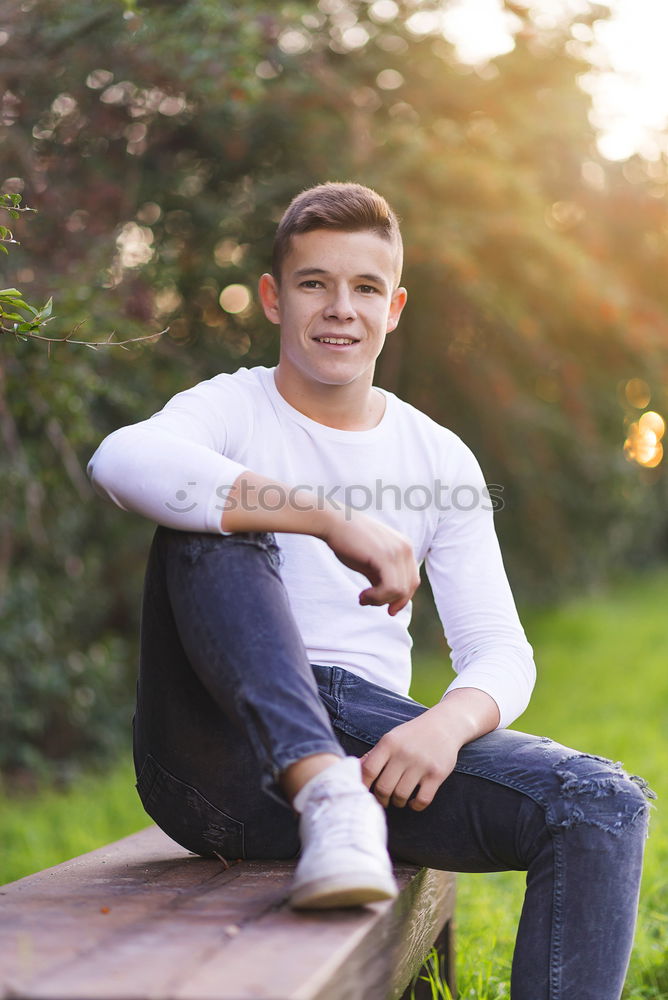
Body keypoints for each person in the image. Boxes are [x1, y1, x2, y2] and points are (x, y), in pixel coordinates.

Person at [88, 182, 651, 999]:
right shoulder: (230, 408)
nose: (339, 309)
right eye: (315, 283)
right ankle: (319, 788)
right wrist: (328, 520)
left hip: (372, 764)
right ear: (276, 298)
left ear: (395, 308)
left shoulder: (439, 458)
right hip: (208, 761)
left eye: (365, 288)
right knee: (211, 511)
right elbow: (120, 461)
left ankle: (337, 799)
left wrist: (447, 728)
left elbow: (501, 649)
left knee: (605, 805)